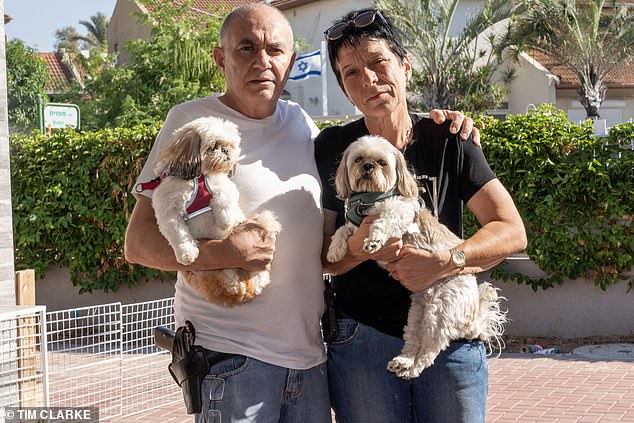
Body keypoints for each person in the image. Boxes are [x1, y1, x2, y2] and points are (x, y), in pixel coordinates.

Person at [125, 4, 478, 422]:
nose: (262, 61)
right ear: (220, 58)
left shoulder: (301, 125)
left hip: (309, 362)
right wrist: (225, 253)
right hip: (233, 359)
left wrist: (446, 124)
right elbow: (139, 243)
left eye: (275, 49)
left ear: (290, 61)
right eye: (246, 48)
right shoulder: (192, 124)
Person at [315, 8, 527, 423]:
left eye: (379, 63)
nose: (370, 80)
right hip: (361, 336)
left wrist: (447, 262)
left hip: (449, 336)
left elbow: (512, 231)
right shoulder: (332, 147)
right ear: (343, 89)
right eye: (352, 73)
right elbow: (325, 255)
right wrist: (358, 248)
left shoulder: (450, 139)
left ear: (405, 67)